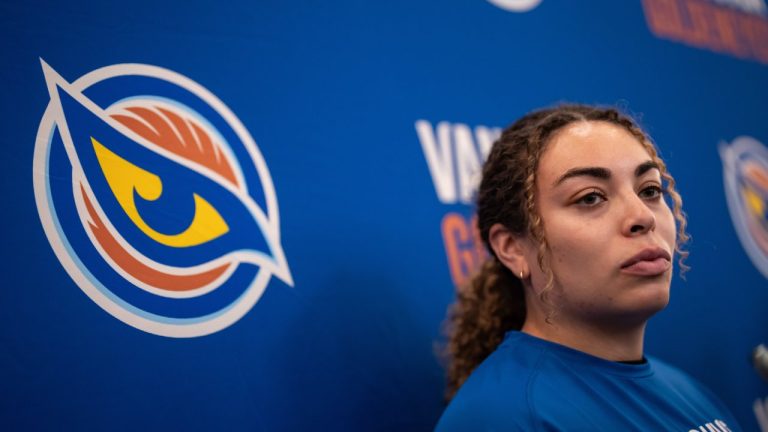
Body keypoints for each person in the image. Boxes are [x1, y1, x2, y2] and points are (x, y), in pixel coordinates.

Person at [434, 104, 742, 431]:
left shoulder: (691, 392)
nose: (643, 216)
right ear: (513, 249)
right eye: (591, 198)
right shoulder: (499, 417)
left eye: (650, 191)